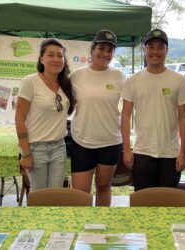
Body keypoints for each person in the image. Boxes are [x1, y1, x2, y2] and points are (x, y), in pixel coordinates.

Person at [121, 29, 185, 191]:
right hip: (142, 151)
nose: (155, 52)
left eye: (160, 47)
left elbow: (183, 118)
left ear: (167, 50)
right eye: (151, 47)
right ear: (145, 50)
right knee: (143, 202)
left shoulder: (178, 80)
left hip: (170, 153)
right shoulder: (133, 80)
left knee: (168, 202)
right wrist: (126, 150)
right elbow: (125, 116)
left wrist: (182, 152)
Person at [70, 30, 126, 206]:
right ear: (93, 50)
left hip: (110, 141)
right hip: (82, 140)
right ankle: (81, 228)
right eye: (101, 48)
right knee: (79, 192)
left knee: (103, 186)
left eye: (110, 51)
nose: (105, 54)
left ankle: (101, 228)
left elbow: (129, 109)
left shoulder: (119, 77)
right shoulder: (76, 76)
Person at [15, 39, 75, 191]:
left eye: (60, 56)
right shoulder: (30, 82)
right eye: (51, 55)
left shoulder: (66, 84)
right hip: (36, 149)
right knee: (39, 197)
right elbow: (19, 118)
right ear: (42, 59)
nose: (56, 59)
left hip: (59, 147)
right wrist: (26, 153)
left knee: (55, 195)